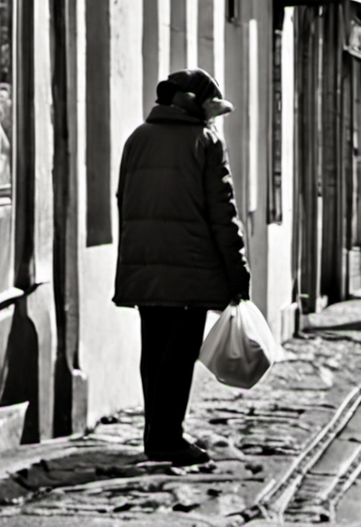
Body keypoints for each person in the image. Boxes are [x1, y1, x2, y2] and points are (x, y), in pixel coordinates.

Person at [114, 67, 250, 466]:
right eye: (209, 110)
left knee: (154, 352)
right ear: (193, 106)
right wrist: (237, 272)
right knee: (178, 356)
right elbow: (223, 214)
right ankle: (167, 438)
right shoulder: (205, 142)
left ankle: (155, 433)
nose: (212, 119)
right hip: (191, 271)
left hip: (146, 269)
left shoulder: (136, 139)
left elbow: (125, 202)